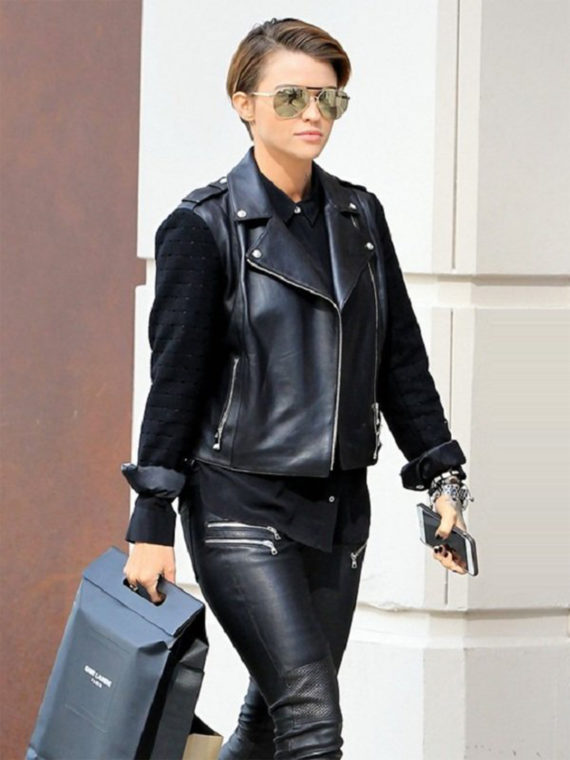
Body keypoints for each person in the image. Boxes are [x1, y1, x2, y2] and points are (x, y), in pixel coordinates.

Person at [122, 17, 473, 760]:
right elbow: (175, 381)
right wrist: (151, 519)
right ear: (244, 104)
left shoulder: (359, 216)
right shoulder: (202, 227)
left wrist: (443, 477)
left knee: (270, 719)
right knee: (313, 720)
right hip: (238, 507)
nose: (314, 113)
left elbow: (399, 359)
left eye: (329, 98)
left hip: (339, 511)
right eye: (292, 97)